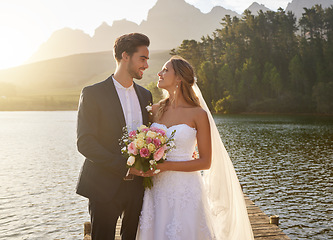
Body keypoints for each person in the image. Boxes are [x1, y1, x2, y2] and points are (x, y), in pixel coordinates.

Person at [137, 56, 254, 239]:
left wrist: (166, 166)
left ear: (179, 78)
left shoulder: (198, 114)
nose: (159, 73)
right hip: (157, 188)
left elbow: (205, 162)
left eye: (165, 70)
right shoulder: (154, 111)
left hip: (185, 190)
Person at [76, 33, 153, 240]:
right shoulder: (93, 93)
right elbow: (85, 143)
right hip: (103, 185)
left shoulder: (146, 95)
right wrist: (126, 166)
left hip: (138, 188)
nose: (146, 65)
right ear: (125, 56)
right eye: (143, 58)